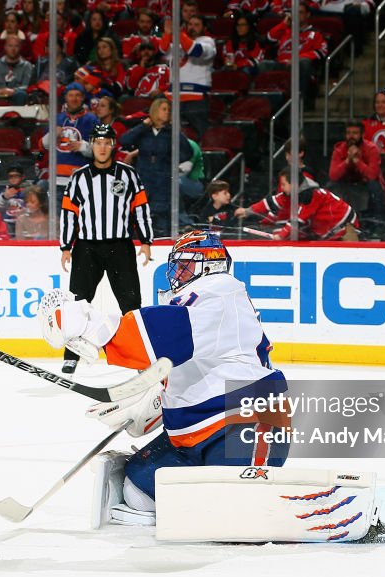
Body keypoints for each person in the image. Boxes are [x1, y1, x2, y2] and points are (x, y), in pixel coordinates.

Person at [39, 230, 293, 527]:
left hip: (244, 425)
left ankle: (271, 504)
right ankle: (197, 508)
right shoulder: (204, 305)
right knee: (137, 490)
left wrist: (85, 322)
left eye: (184, 265)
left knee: (234, 508)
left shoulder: (220, 289)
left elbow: (159, 336)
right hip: (199, 431)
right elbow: (186, 358)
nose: (177, 274)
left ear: (208, 264)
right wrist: (157, 405)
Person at [59, 124, 153, 374]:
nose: (102, 147)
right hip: (86, 248)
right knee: (78, 302)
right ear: (91, 144)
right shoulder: (79, 177)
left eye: (106, 142)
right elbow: (69, 213)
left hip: (120, 247)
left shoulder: (128, 175)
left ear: (113, 145)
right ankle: (72, 355)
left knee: (131, 303)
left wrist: (145, 241)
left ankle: (141, 354)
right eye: (97, 142)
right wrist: (66, 246)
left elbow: (140, 209)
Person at [119, 98, 194, 236]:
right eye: (164, 109)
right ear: (155, 110)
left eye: (168, 110)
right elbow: (124, 140)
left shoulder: (170, 132)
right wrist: (143, 125)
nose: (167, 112)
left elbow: (187, 152)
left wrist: (170, 158)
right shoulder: (144, 131)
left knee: (162, 221)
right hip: (144, 177)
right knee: (141, 216)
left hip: (163, 179)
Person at [159, 12, 215, 137]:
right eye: (190, 24)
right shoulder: (177, 43)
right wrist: (168, 33)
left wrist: (177, 33)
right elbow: (162, 50)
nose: (192, 27)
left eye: (196, 25)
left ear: (204, 28)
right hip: (173, 97)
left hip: (196, 97)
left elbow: (195, 51)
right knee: (167, 132)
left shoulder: (207, 42)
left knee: (200, 134)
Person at [41, 82, 99, 192]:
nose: (74, 99)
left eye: (77, 95)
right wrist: (52, 135)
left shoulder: (92, 120)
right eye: (71, 95)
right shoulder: (56, 119)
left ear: (82, 98)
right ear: (66, 98)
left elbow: (102, 151)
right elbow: (43, 147)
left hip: (82, 181)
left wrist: (83, 147)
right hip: (56, 180)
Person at [328, 120, 385, 217]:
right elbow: (333, 175)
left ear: (362, 134)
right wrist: (347, 161)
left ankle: (377, 225)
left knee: (374, 187)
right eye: (348, 133)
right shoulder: (339, 149)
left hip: (366, 182)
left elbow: (372, 175)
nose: (351, 136)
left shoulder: (371, 148)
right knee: (330, 186)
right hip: (347, 181)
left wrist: (357, 161)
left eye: (355, 133)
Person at [0, 35, 34, 105]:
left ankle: (14, 115)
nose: (13, 49)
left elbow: (26, 86)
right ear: (5, 47)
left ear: (20, 48)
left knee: (22, 94)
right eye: (10, 46)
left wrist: (13, 90)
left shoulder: (26, 65)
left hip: (14, 95)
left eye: (16, 46)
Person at [220, 12, 264, 76]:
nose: (239, 27)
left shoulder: (257, 41)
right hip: (234, 67)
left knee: (244, 71)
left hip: (252, 69)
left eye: (243, 25)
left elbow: (255, 61)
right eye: (238, 25)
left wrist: (238, 65)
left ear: (249, 26)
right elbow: (228, 56)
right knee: (220, 72)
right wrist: (228, 62)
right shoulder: (230, 41)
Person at [0, 164, 27, 235]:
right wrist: (4, 197)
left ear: (23, 177)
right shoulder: (3, 192)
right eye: (11, 176)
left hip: (23, 224)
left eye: (16, 176)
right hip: (6, 222)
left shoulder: (28, 192)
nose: (13, 179)